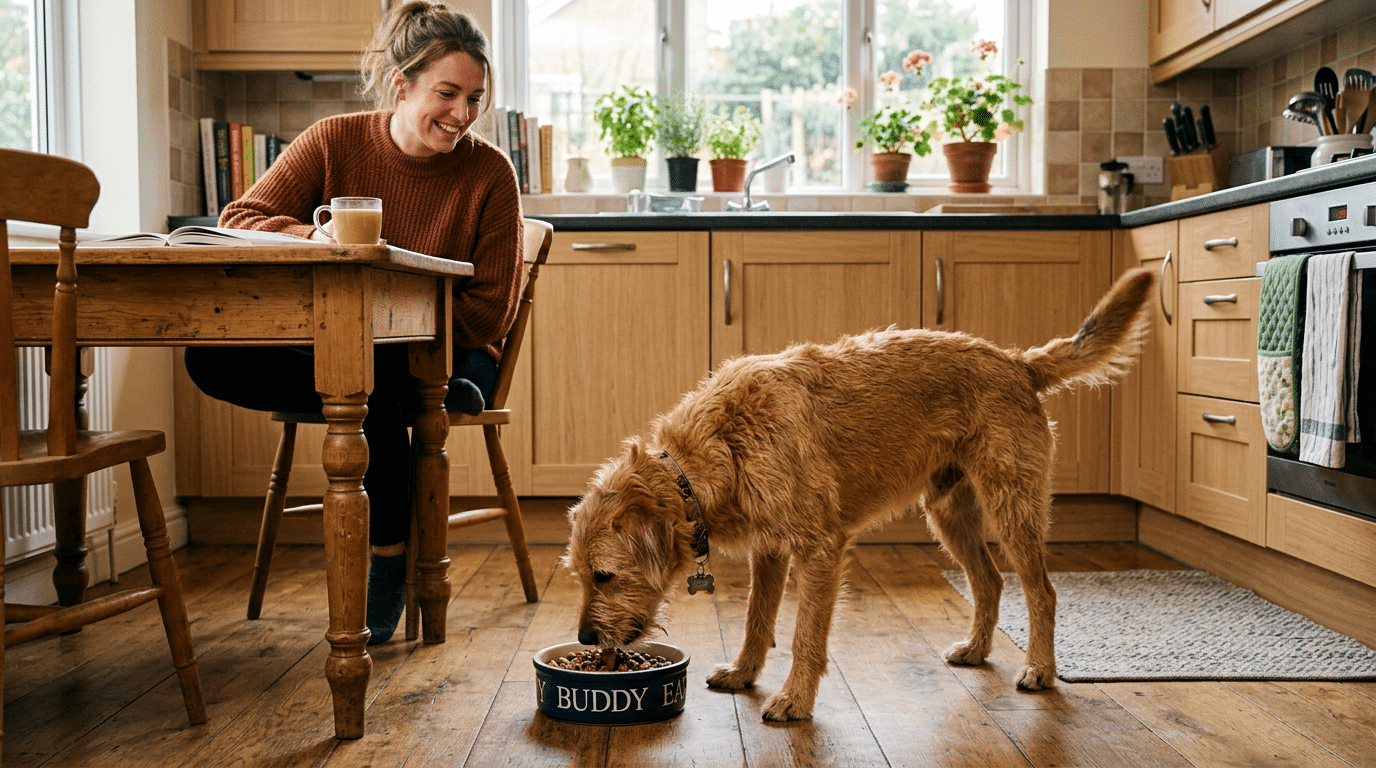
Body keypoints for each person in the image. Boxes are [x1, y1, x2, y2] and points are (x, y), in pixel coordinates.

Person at [183, 1, 523, 645]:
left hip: (454, 348)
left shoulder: (488, 172)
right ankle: (393, 392)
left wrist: (400, 318)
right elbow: (240, 219)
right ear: (401, 84)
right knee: (209, 356)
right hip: (343, 346)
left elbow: (487, 312)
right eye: (447, 93)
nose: (463, 114)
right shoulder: (334, 140)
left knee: (382, 377)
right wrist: (319, 234)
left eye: (475, 98)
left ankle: (389, 557)